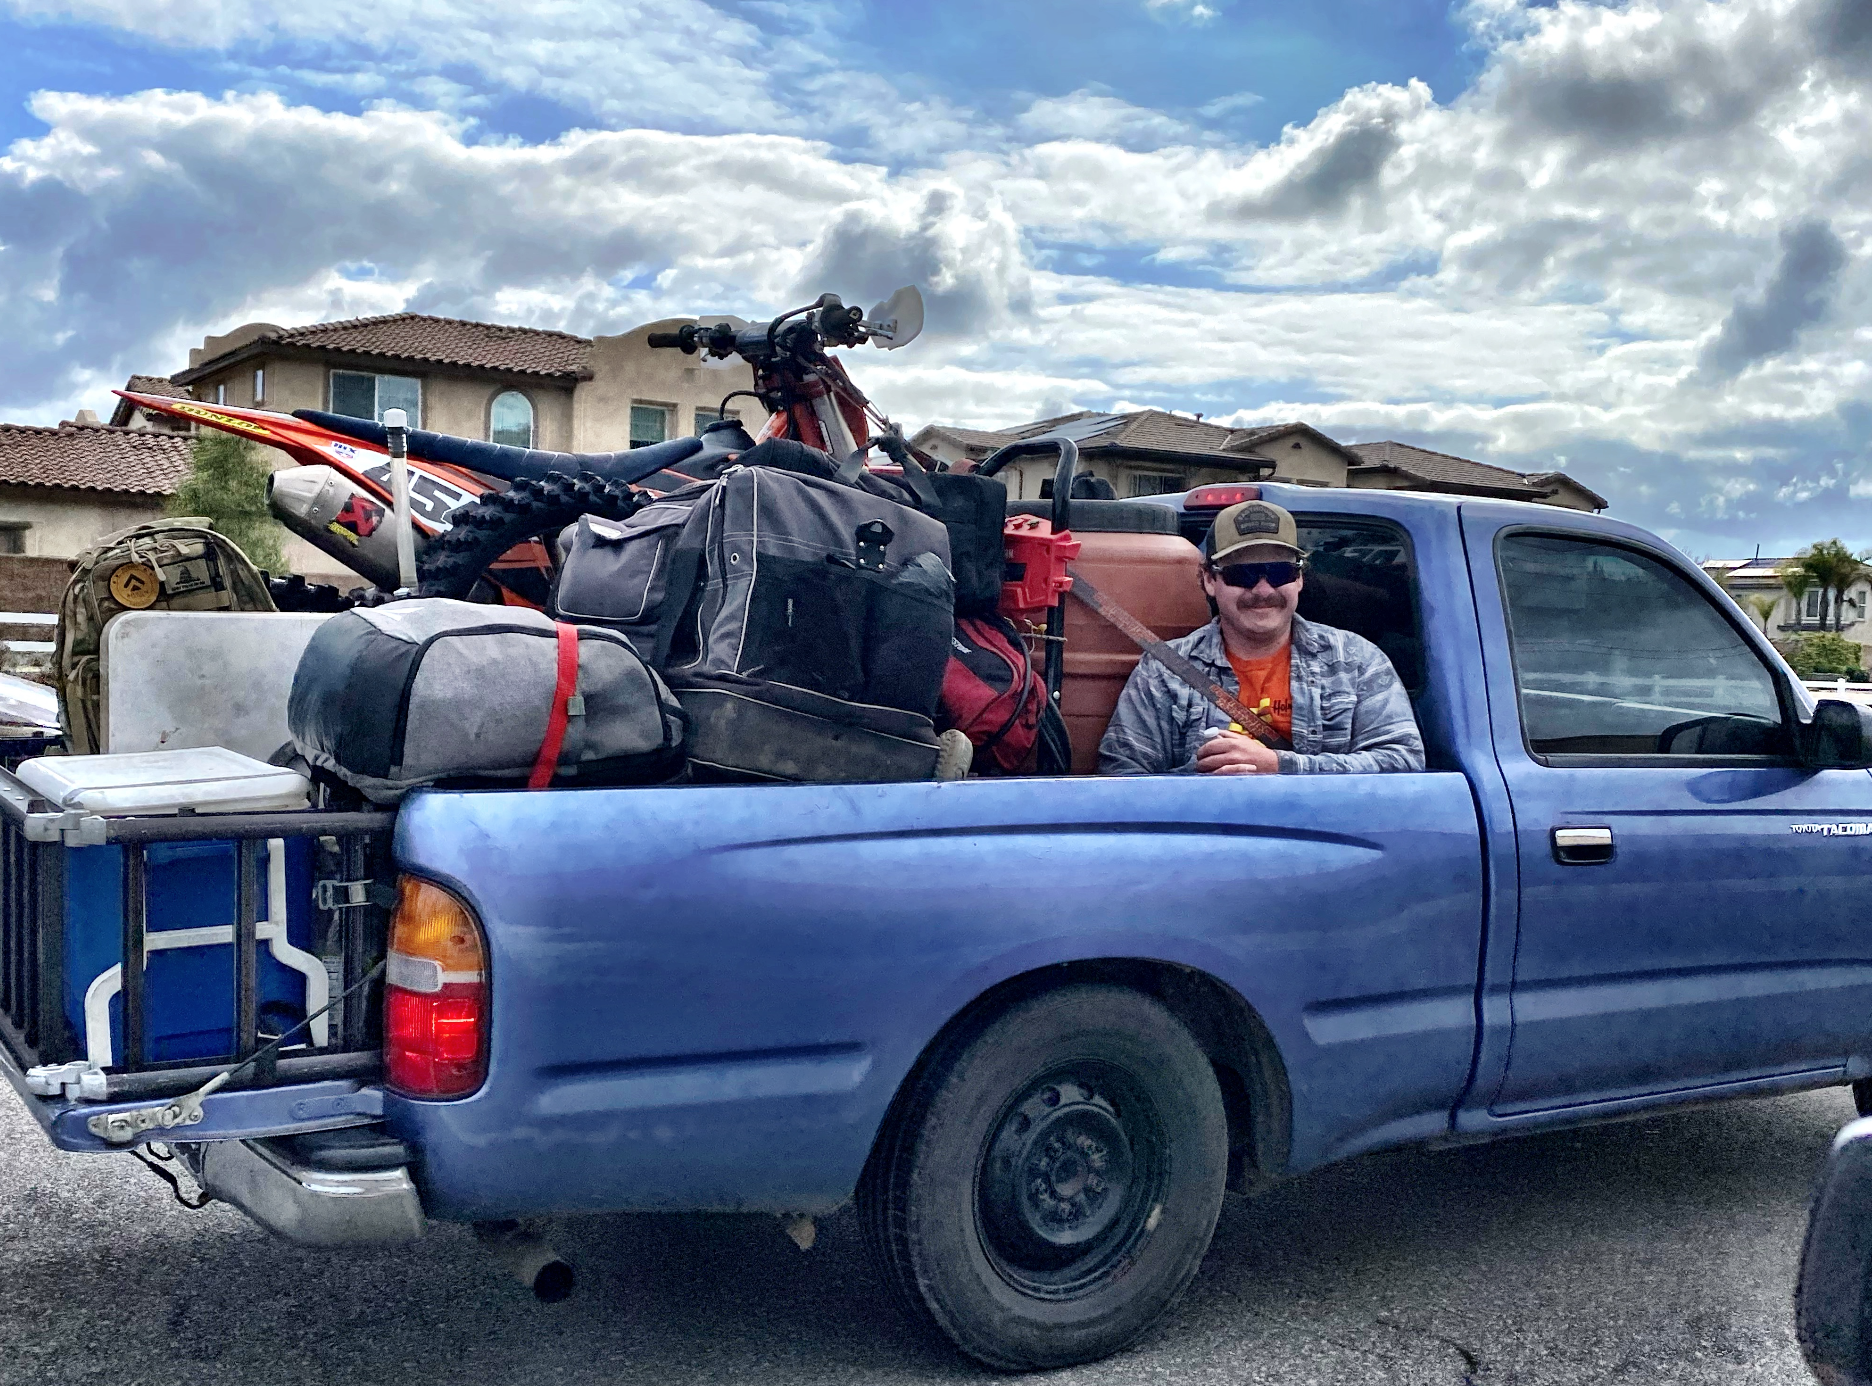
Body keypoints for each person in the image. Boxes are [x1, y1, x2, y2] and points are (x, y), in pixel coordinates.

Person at [1098, 498, 1424, 775]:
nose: (1263, 590)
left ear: (1298, 579)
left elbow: (1404, 761)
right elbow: (1122, 775)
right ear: (1210, 580)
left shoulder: (1355, 660)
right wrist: (1200, 776)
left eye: (1280, 572)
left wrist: (1278, 765)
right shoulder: (1164, 670)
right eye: (1244, 574)